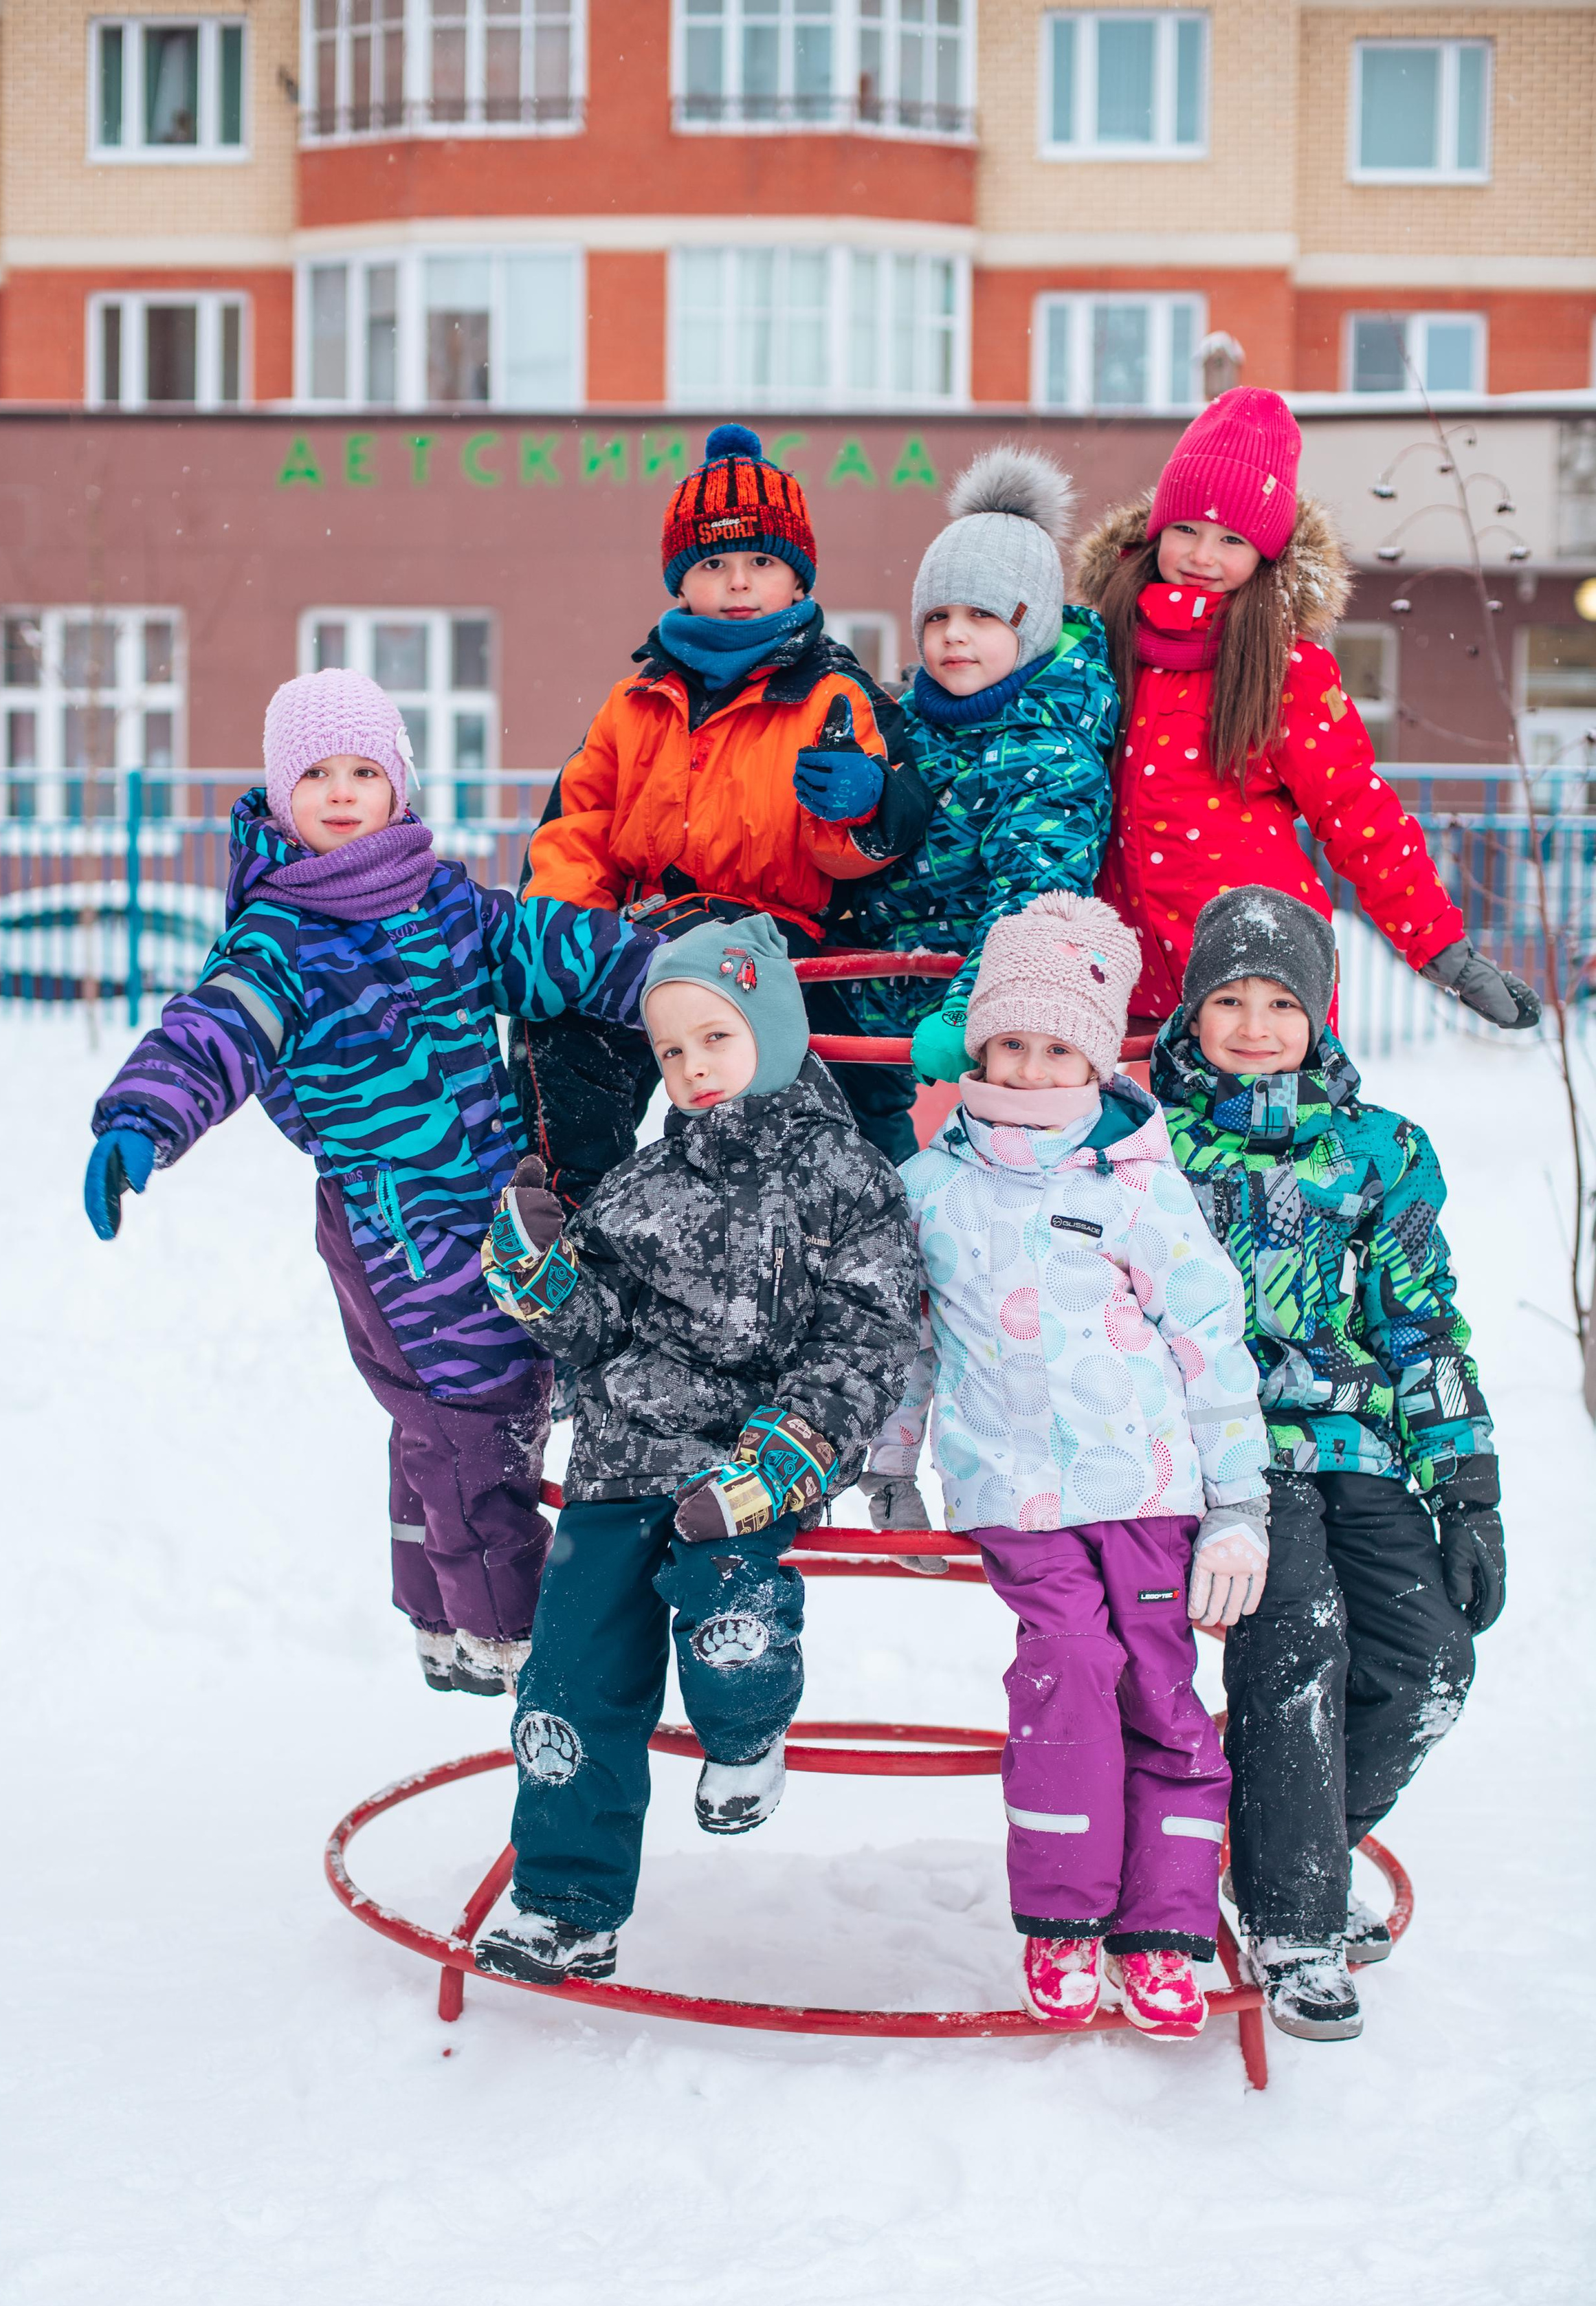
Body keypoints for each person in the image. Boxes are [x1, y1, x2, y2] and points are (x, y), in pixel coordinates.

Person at [83, 668, 655, 1696]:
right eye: (315, 774)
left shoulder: (440, 902)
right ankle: (505, 1639)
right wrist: (144, 1115)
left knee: (437, 1416)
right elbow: (214, 1029)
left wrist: (663, 972)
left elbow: (545, 946)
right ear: (278, 792)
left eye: (363, 770)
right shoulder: (281, 936)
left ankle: (443, 1616)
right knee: (479, 1411)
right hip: (391, 1219)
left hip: (480, 1204)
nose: (341, 792)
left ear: (399, 786)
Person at [470, 916, 920, 1986]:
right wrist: (543, 1274)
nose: (693, 1068)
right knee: (570, 1682)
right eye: (672, 1052)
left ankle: (747, 1732)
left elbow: (868, 1335)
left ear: (771, 1025)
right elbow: (599, 1328)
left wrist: (779, 1460)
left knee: (728, 1614)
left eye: (715, 1038)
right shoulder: (640, 1185)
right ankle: (565, 1905)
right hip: (624, 1461)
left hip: (747, 1470)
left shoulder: (844, 1179)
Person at [864, 892, 1270, 2039]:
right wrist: (894, 1468)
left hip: (1147, 1492)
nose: (1035, 1069)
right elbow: (905, 1338)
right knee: (1069, 1676)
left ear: (1092, 1056)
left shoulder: (1137, 1180)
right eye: (1013, 1045)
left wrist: (1240, 1500)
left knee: (1162, 1695)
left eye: (1059, 1048)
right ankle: (1060, 1921)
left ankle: (1164, 1932)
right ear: (980, 1045)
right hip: (1019, 1501)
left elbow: (1210, 1339)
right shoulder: (931, 1188)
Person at [1153, 886, 1502, 2041]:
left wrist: (1466, 1485)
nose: (1255, 1024)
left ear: (1321, 1015)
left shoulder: (1378, 1151)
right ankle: (1294, 1923)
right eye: (1230, 1001)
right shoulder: (1147, 1144)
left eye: (1281, 1003)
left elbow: (1421, 1323)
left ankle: (1287, 1836)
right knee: (1294, 1642)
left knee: (1428, 1661)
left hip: (1353, 1445)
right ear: (1194, 1013)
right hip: (1231, 1455)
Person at [508, 423, 933, 1200]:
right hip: (653, 928)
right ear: (681, 584)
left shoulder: (831, 693)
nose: (739, 583)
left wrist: (860, 805)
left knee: (835, 1124)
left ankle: (870, 1222)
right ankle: (564, 1201)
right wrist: (562, 928)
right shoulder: (635, 703)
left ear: (797, 583)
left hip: (779, 943)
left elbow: (882, 838)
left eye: (762, 563)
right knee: (559, 1009)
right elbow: (581, 824)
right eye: (714, 564)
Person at [1075, 385, 1542, 1042]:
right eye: (1185, 529)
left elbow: (1357, 811)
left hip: (1254, 989)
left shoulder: (1283, 671)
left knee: (1251, 1146)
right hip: (1114, 981)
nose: (1203, 557)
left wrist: (1440, 947)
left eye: (1232, 539)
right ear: (1155, 534)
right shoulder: (1098, 649)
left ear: (1267, 557)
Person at [841, 444, 1119, 1108]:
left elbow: (1031, 905)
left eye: (981, 615)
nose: (952, 636)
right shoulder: (906, 726)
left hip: (965, 1032)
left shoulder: (1050, 753)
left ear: (1032, 624)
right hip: (872, 999)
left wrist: (969, 1012)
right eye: (937, 617)